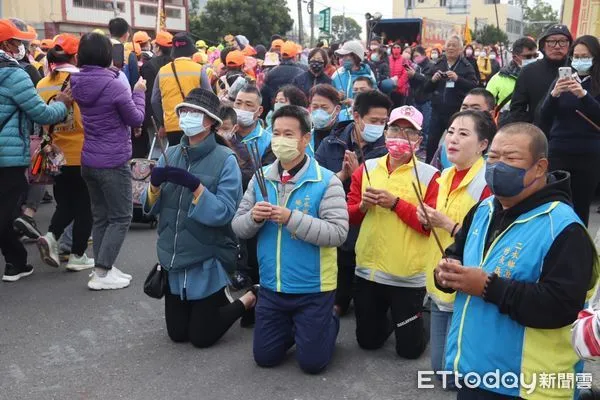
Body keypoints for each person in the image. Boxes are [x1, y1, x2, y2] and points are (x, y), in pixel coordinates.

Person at [436, 123, 597, 399]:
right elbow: (458, 251)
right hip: (476, 370)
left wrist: (488, 286)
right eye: (493, 157)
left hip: (530, 386)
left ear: (539, 167)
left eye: (510, 159)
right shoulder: (484, 209)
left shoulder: (563, 227)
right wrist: (447, 273)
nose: (498, 166)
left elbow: (562, 306)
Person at [232, 105, 349, 374]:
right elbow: (238, 227)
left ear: (305, 139)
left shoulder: (326, 181)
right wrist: (254, 217)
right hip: (273, 288)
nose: (280, 139)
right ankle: (300, 328)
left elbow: (337, 233)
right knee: (265, 357)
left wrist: (291, 218)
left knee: (312, 364)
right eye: (276, 133)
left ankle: (328, 320)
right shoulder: (261, 178)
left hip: (313, 289)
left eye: (288, 133)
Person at [143, 88, 257, 347]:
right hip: (173, 258)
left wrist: (195, 186)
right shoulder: (169, 153)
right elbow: (150, 208)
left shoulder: (225, 159)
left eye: (195, 113)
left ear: (210, 122)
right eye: (183, 111)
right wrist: (153, 187)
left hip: (208, 259)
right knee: (178, 334)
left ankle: (248, 299)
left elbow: (225, 213)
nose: (187, 116)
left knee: (201, 337)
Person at [347, 105, 440, 359]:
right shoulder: (366, 168)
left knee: (410, 351)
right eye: (396, 129)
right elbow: (349, 216)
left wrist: (396, 204)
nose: (401, 137)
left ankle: (420, 321)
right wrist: (363, 206)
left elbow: (428, 225)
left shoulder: (430, 176)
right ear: (386, 133)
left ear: (419, 140)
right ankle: (393, 320)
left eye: (409, 133)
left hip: (407, 275)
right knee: (368, 342)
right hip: (369, 269)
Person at [416, 110, 495, 384]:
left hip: (467, 284)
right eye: (450, 132)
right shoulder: (445, 175)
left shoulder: (488, 182)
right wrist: (426, 220)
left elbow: (490, 240)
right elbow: (434, 222)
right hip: (439, 279)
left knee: (454, 375)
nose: (453, 139)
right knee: (441, 371)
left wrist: (447, 224)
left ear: (483, 144)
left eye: (463, 134)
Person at [70, 32, 145, 290]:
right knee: (121, 216)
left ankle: (104, 269)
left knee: (101, 217)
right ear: (105, 55)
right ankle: (102, 271)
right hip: (112, 160)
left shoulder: (77, 81)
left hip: (89, 158)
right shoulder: (114, 84)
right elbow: (135, 119)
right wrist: (139, 93)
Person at [0, 19, 71, 282]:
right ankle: (15, 261)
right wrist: (62, 104)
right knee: (5, 213)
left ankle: (15, 262)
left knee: (6, 213)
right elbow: (41, 113)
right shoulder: (14, 74)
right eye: (17, 42)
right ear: (6, 44)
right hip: (8, 157)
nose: (21, 47)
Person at [316, 90, 391, 316]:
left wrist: (359, 175)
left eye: (383, 122)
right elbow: (317, 183)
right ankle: (337, 297)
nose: (378, 126)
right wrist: (341, 176)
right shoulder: (331, 142)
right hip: (335, 215)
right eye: (373, 121)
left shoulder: (386, 150)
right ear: (357, 117)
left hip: (370, 219)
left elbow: (385, 193)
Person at [34, 34, 94, 272]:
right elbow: (85, 120)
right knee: (85, 206)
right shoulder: (81, 79)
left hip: (53, 153)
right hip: (80, 151)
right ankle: (78, 254)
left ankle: (52, 237)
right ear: (76, 55)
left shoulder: (42, 83)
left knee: (66, 203)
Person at [540, 35, 600, 227]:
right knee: (555, 203)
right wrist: (554, 94)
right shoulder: (562, 80)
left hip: (588, 154)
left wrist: (583, 95)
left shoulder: (595, 83)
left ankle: (579, 249)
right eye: (576, 56)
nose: (579, 60)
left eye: (585, 56)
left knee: (581, 206)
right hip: (559, 151)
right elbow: (544, 115)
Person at [423, 35, 478, 163]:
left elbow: (474, 86)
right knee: (431, 141)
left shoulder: (466, 65)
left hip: (456, 112)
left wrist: (457, 79)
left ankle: (456, 166)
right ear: (444, 48)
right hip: (437, 110)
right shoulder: (438, 64)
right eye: (449, 45)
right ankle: (429, 167)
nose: (451, 48)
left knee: (456, 142)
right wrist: (433, 80)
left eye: (454, 45)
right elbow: (425, 88)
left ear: (460, 49)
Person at [152, 33, 212, 146]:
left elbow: (154, 100)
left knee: (176, 158)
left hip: (172, 125)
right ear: (191, 51)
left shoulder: (163, 71)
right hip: (196, 124)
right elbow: (210, 97)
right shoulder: (199, 69)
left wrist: (163, 122)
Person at [509, 24, 573, 127]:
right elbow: (517, 110)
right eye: (552, 41)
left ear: (570, 45)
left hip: (570, 136)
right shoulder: (528, 71)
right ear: (543, 45)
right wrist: (532, 128)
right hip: (538, 134)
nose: (557, 46)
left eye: (563, 41)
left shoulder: (577, 71)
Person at [431, 88, 496, 171]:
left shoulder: (497, 152)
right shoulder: (445, 148)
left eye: (475, 109)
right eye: (464, 108)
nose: (468, 113)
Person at [486, 37, 538, 126]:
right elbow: (486, 108)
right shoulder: (498, 79)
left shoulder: (542, 75)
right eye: (528, 56)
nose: (533, 59)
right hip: (507, 129)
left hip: (536, 129)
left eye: (535, 56)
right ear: (515, 57)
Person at [138, 30, 173, 158]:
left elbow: (151, 97)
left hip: (155, 118)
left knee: (157, 152)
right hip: (175, 116)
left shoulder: (148, 66)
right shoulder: (175, 65)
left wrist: (160, 123)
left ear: (157, 47)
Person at [260, 41, 304, 116]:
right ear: (295, 56)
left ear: (280, 56)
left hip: (273, 114)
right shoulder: (302, 73)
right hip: (295, 115)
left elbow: (264, 98)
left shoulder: (270, 73)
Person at [332, 41, 376, 113]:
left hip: (362, 117)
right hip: (340, 119)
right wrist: (336, 97)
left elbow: (374, 100)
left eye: (346, 55)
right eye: (342, 56)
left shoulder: (369, 75)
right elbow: (330, 98)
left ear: (356, 56)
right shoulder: (337, 74)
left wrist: (354, 103)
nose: (342, 59)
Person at [406, 46, 434, 148]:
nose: (415, 58)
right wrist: (410, 77)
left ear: (423, 55)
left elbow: (428, 80)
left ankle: (425, 145)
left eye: (417, 56)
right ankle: (418, 143)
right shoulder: (416, 67)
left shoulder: (431, 66)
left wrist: (415, 75)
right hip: (416, 98)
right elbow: (414, 84)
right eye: (414, 56)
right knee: (417, 124)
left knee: (426, 124)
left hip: (427, 99)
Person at [308, 84, 345, 156]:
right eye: (315, 107)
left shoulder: (345, 138)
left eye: (324, 108)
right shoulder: (304, 137)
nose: (319, 112)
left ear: (337, 109)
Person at [108, 17, 139, 88]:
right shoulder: (129, 55)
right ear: (125, 34)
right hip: (123, 94)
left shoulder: (100, 49)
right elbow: (134, 83)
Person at [386, 42, 410, 108]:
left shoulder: (404, 60)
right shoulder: (388, 59)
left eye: (398, 47)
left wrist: (398, 84)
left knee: (398, 108)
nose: (396, 49)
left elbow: (405, 73)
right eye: (394, 47)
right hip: (389, 88)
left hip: (400, 89)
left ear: (401, 49)